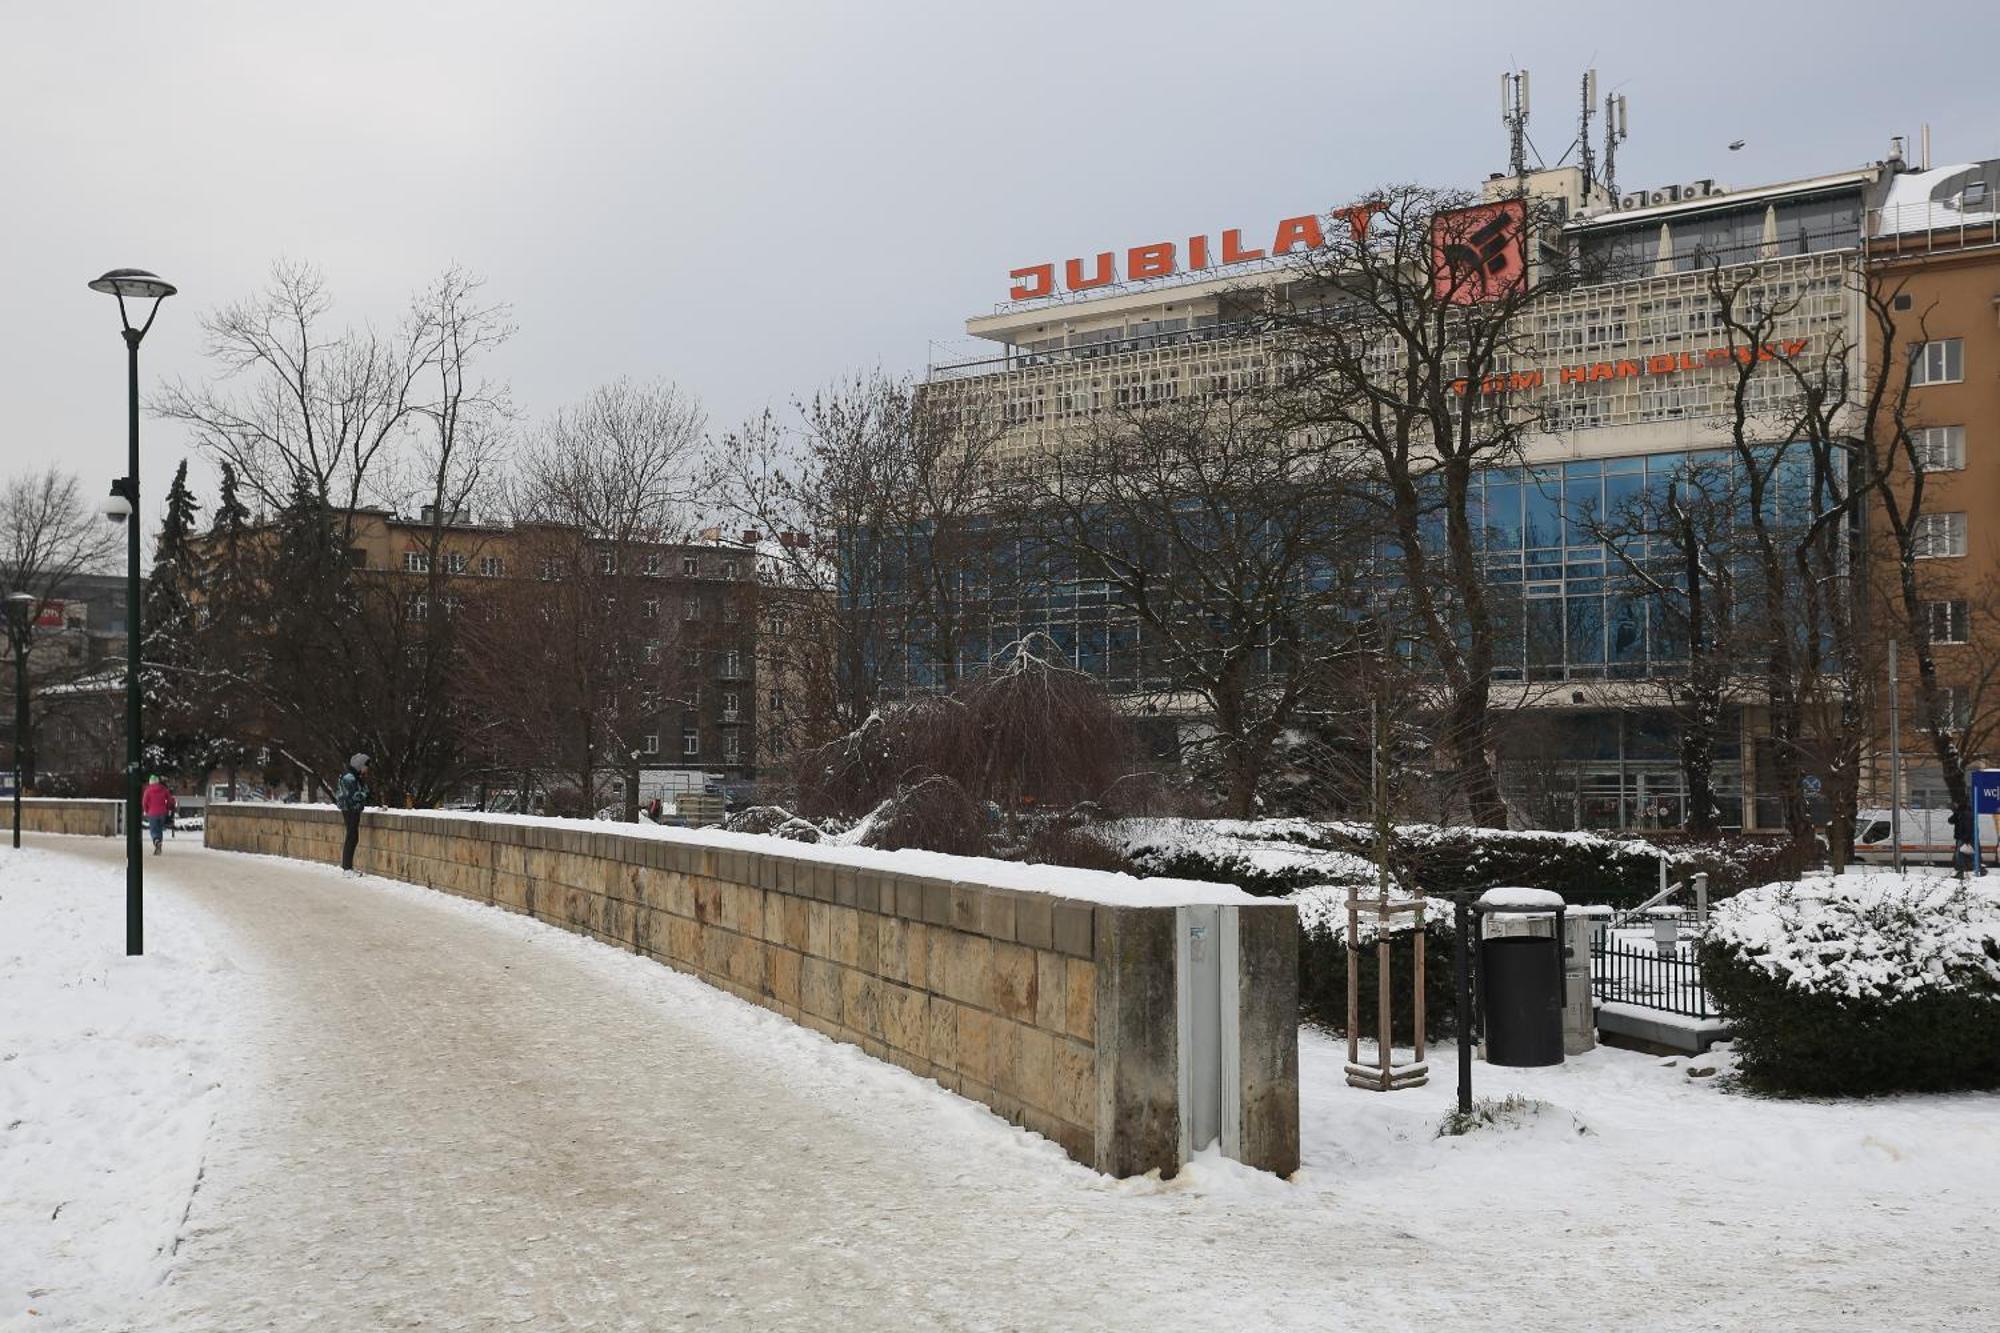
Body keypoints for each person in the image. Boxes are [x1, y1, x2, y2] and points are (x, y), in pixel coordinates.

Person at [335, 753, 371, 877]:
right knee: (352, 837)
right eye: (366, 766)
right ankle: (347, 868)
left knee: (353, 836)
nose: (367, 769)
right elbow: (353, 795)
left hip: (352, 809)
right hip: (350, 809)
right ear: (360, 765)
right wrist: (364, 793)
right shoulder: (350, 778)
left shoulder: (354, 776)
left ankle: (348, 867)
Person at [141, 774, 177, 855]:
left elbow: (144, 802)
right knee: (159, 829)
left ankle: (156, 841)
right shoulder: (163, 789)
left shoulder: (148, 790)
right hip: (162, 813)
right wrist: (167, 808)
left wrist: (146, 811)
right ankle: (159, 845)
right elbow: (170, 800)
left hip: (152, 813)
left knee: (153, 830)